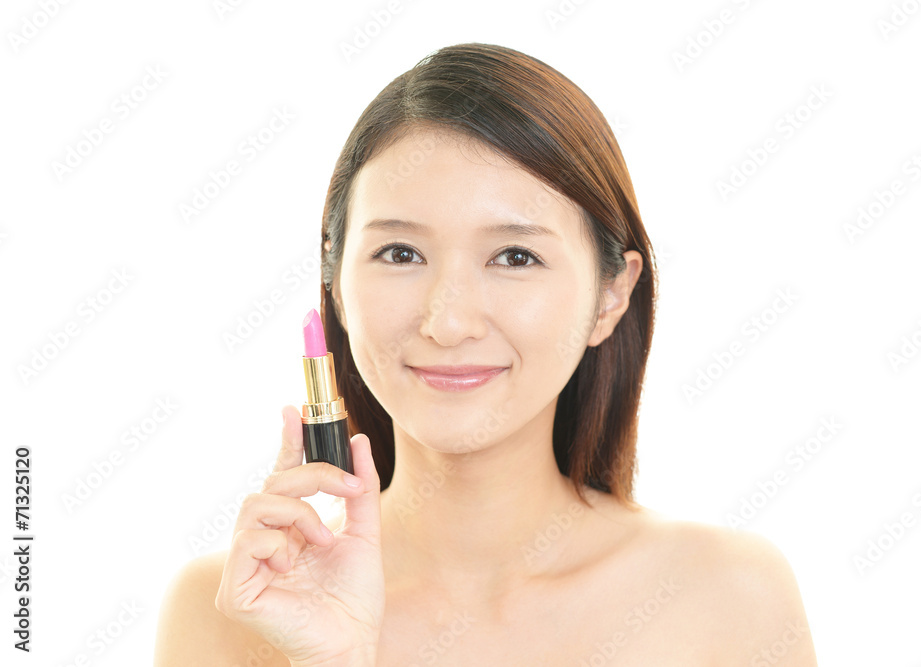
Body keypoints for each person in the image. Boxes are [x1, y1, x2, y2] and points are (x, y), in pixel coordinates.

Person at [154, 42, 818, 666]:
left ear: (611, 295)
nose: (449, 322)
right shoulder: (239, 605)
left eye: (515, 257)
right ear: (335, 281)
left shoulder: (728, 597)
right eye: (400, 253)